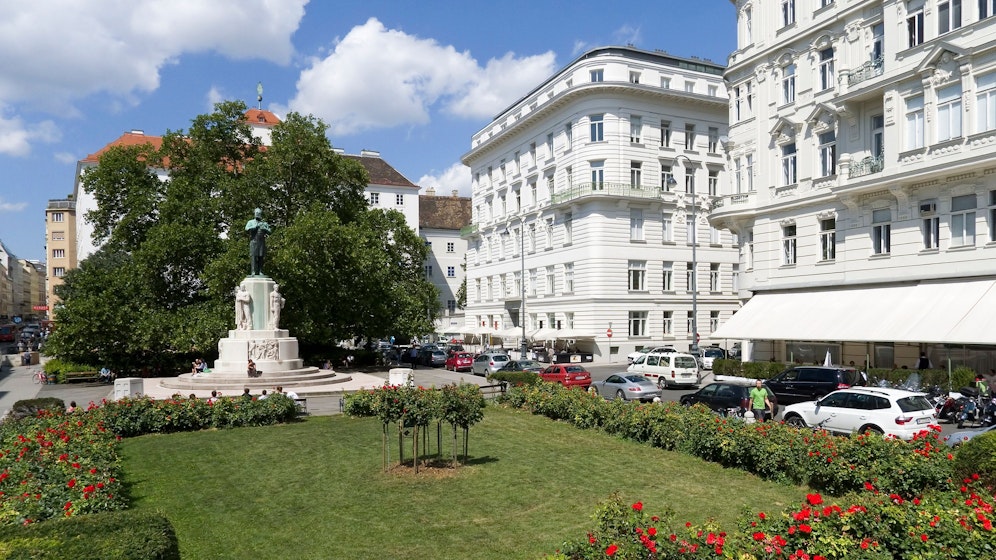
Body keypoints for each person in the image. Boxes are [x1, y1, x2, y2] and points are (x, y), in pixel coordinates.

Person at [245, 208, 272, 276]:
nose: (257, 214)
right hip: (253, 241)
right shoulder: (250, 222)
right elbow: (246, 229)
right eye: (256, 213)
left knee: (261, 257)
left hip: (261, 242)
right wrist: (255, 226)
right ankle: (253, 271)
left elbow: (270, 231)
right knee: (253, 257)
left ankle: (260, 271)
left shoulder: (264, 223)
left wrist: (264, 228)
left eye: (259, 213)